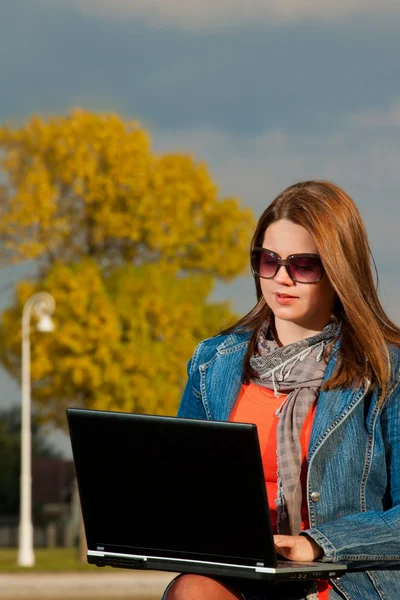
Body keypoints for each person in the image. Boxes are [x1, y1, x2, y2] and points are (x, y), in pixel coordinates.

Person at [161, 180, 400, 600]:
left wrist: (317, 543)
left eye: (303, 265)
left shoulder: (386, 369)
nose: (282, 278)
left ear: (339, 268)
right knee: (193, 589)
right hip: (244, 576)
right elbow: (184, 490)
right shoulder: (214, 362)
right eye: (268, 261)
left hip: (343, 580)